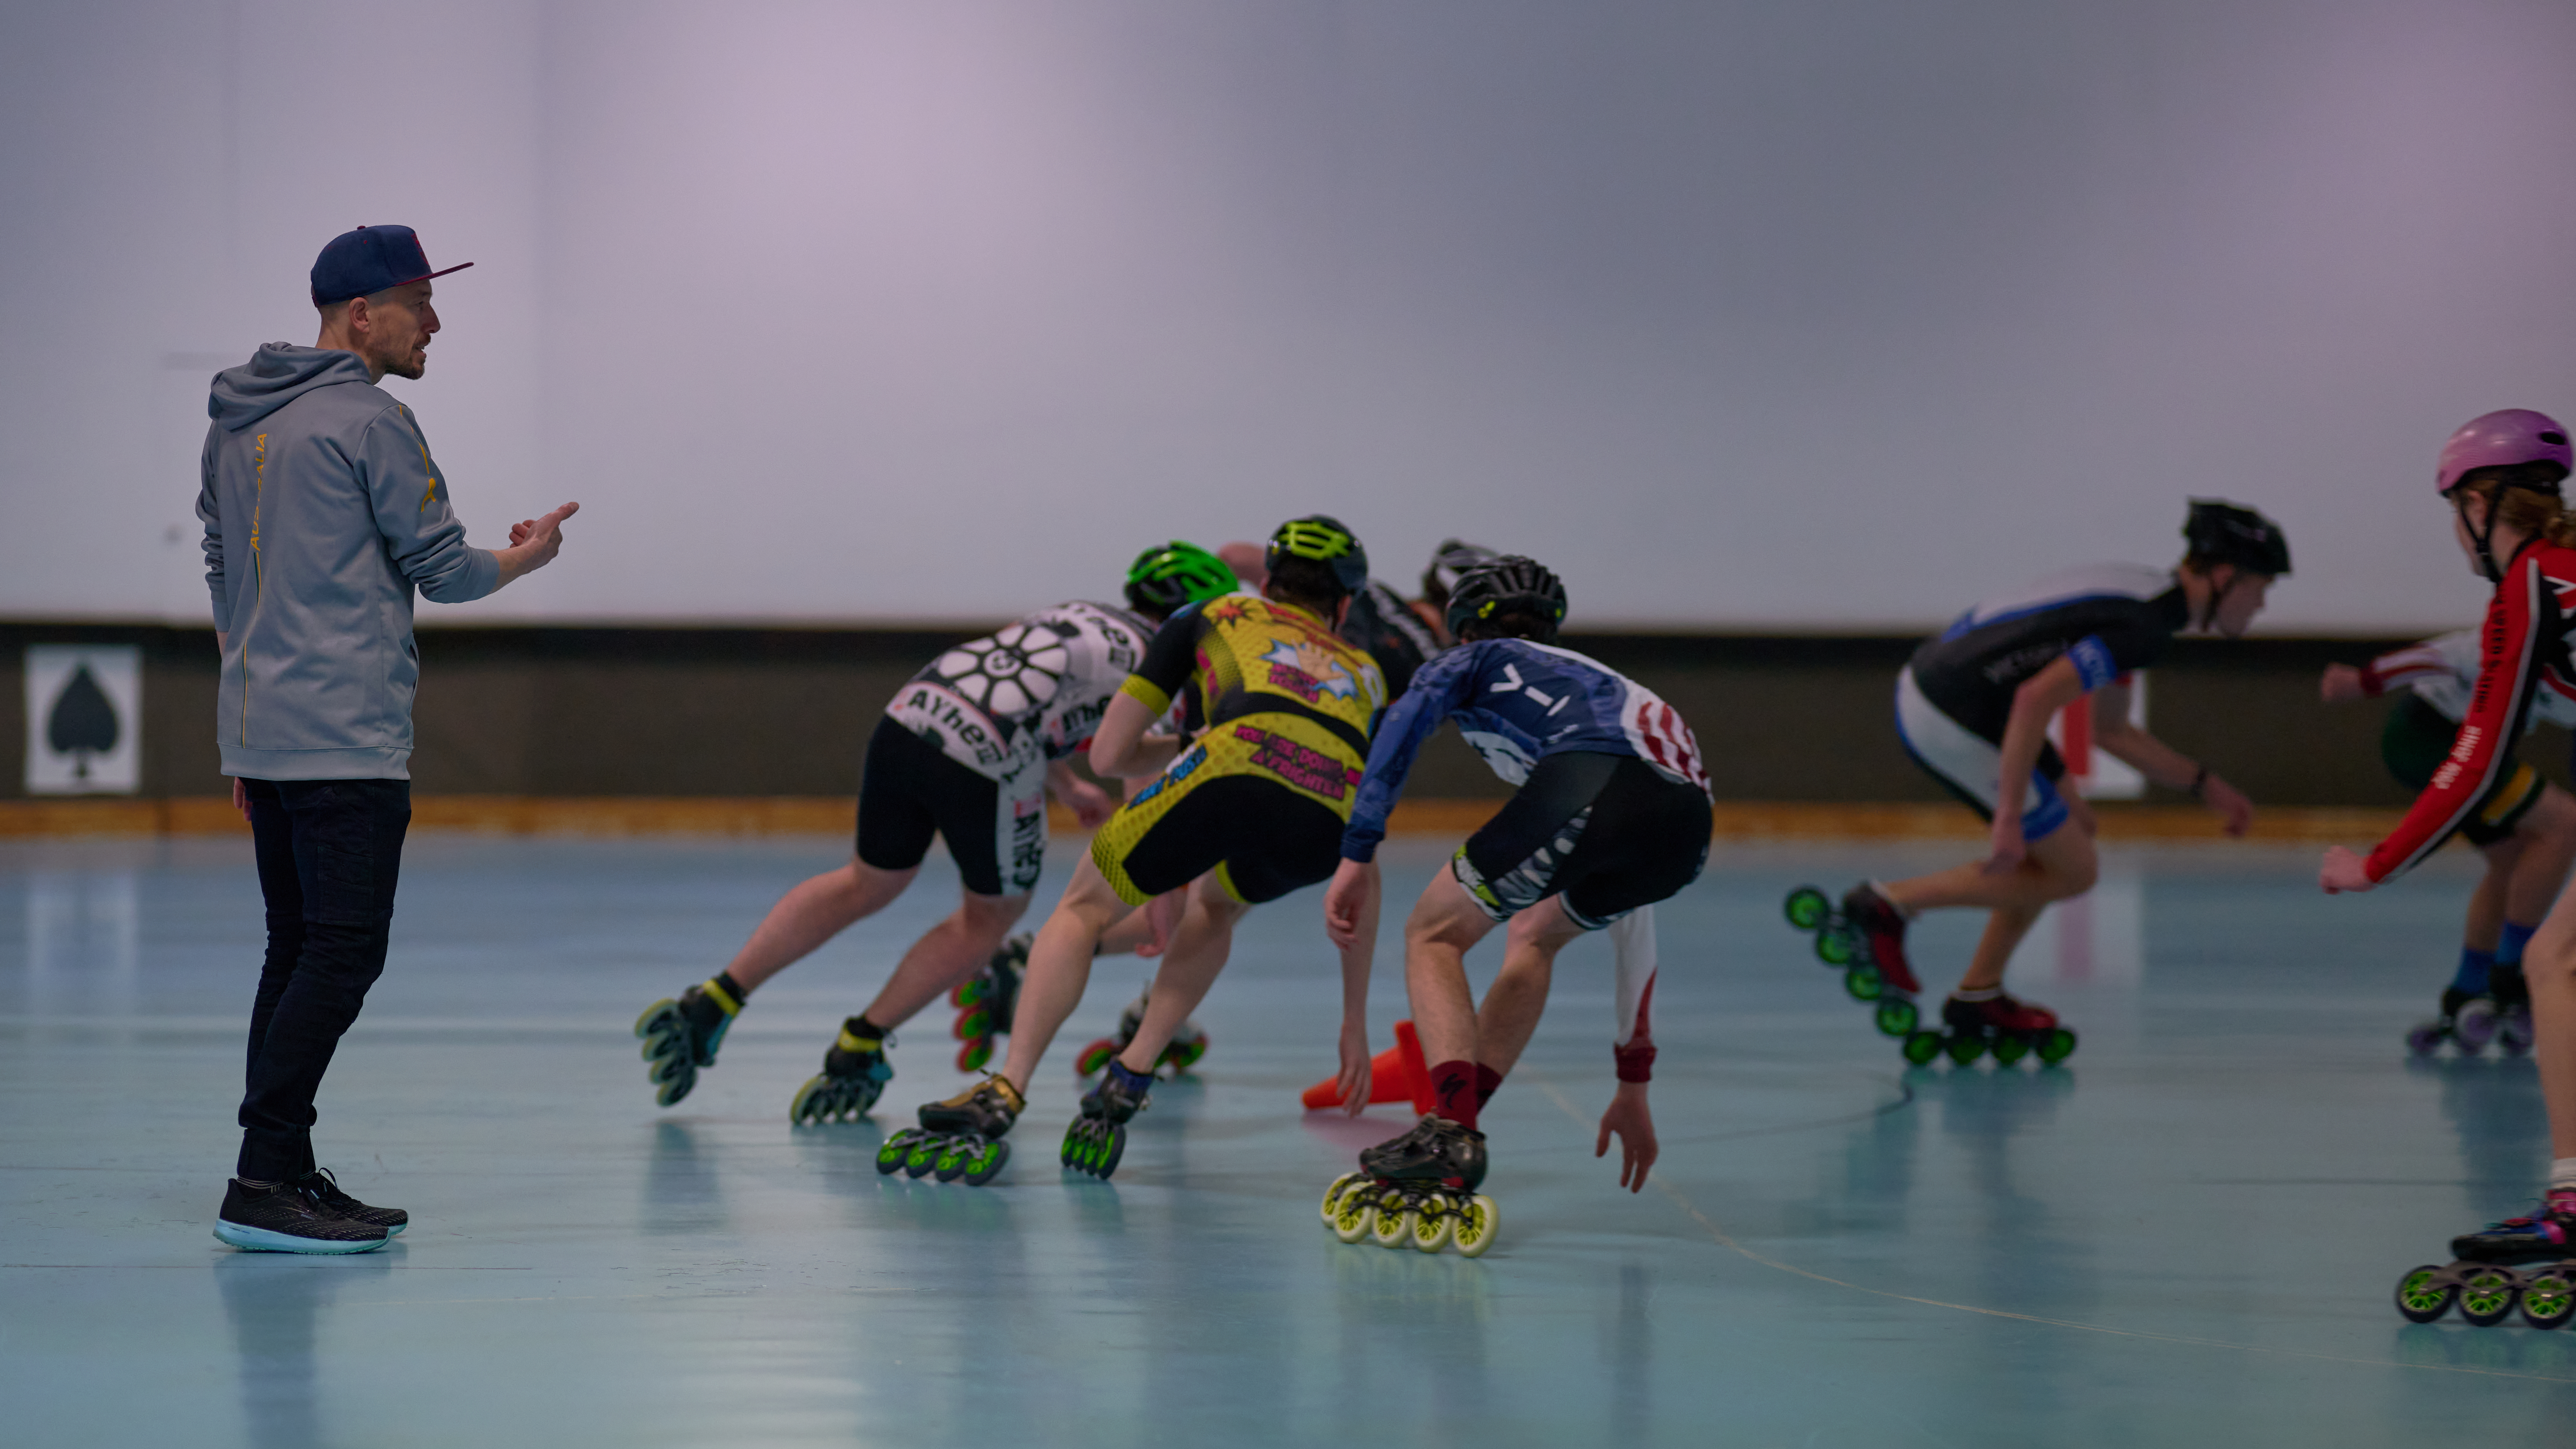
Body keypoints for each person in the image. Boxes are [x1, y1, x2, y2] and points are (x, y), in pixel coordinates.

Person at [200, 225, 578, 1252]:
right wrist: (528, 556)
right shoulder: (376, 422)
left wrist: (247, 716)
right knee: (343, 955)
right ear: (360, 315)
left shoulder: (237, 420)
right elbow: (446, 569)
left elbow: (221, 560)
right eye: (418, 299)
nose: (436, 320)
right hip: (347, 736)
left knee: (296, 947)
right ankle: (264, 1177)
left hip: (267, 733)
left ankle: (277, 1167)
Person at [632, 543, 1239, 1121]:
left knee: (864, 882)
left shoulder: (1077, 613)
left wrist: (1063, 785)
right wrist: (1163, 884)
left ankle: (716, 997)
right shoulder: (1160, 662)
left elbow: (1019, 689)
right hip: (987, 755)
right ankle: (860, 1045)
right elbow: (1140, 779)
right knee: (990, 915)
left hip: (911, 714)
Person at [876, 516, 1388, 1186]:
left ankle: (1005, 1087)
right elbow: (1365, 857)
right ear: (1343, 606)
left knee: (1081, 911)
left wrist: (1186, 746)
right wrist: (1354, 1019)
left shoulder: (1212, 613)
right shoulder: (1370, 674)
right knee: (1217, 907)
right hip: (1322, 821)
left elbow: (1110, 754)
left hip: (1226, 767)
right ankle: (1132, 1072)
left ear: (1264, 583)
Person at [1316, 556, 1712, 1253]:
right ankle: (1455, 1129)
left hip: (1587, 778)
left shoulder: (1474, 657)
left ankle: (1448, 1134)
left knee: (1431, 934)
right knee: (1536, 934)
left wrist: (1357, 848)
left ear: (1463, 626)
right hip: (1688, 831)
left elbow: (1402, 726)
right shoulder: (1603, 685)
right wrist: (1632, 1081)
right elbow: (1635, 925)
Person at [1799, 501, 2285, 1065]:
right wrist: (2007, 816)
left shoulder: (2149, 601)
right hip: (1954, 710)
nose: (2262, 604)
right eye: (2260, 587)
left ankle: (1978, 992)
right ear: (2224, 576)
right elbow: (2035, 699)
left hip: (1966, 695)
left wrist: (2206, 785)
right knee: (2074, 869)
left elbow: (2110, 731)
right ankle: (1885, 905)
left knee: (2075, 827)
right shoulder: (2143, 625)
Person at [2317, 410, 2576, 1299]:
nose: (2453, 533)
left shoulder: (2531, 584)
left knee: (2558, 960)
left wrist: (2374, 864)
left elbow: (2474, 757)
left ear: (2477, 501)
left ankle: (2573, 1202)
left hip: (2440, 752)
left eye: (2450, 511)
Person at [2320, 629, 2576, 1056]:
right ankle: (2510, 975)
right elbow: (2438, 656)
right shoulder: (2527, 634)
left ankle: (2465, 991)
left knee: (2512, 860)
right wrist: (2365, 680)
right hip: (2430, 738)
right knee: (2565, 824)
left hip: (2450, 742)